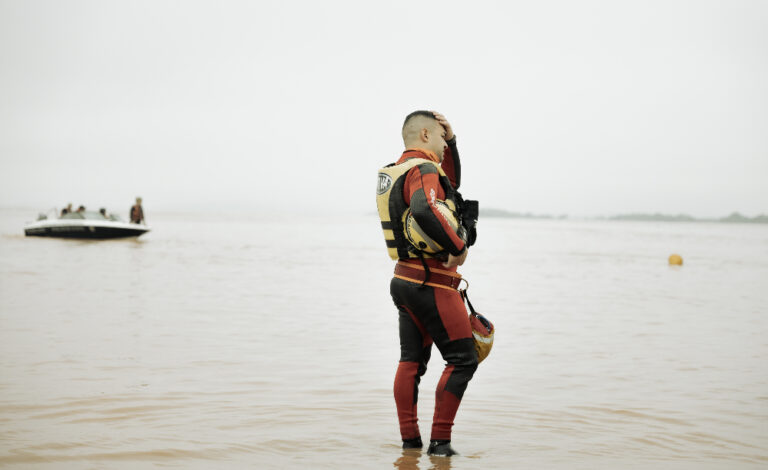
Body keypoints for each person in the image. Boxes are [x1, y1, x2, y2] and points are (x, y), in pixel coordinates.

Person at [376, 111, 476, 457]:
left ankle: (409, 444)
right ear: (423, 134)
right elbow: (424, 209)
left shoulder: (396, 171)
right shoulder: (424, 169)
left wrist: (452, 142)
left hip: (404, 279)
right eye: (438, 141)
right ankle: (441, 446)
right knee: (463, 359)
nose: (442, 150)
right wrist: (458, 248)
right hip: (432, 282)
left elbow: (451, 186)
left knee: (411, 362)